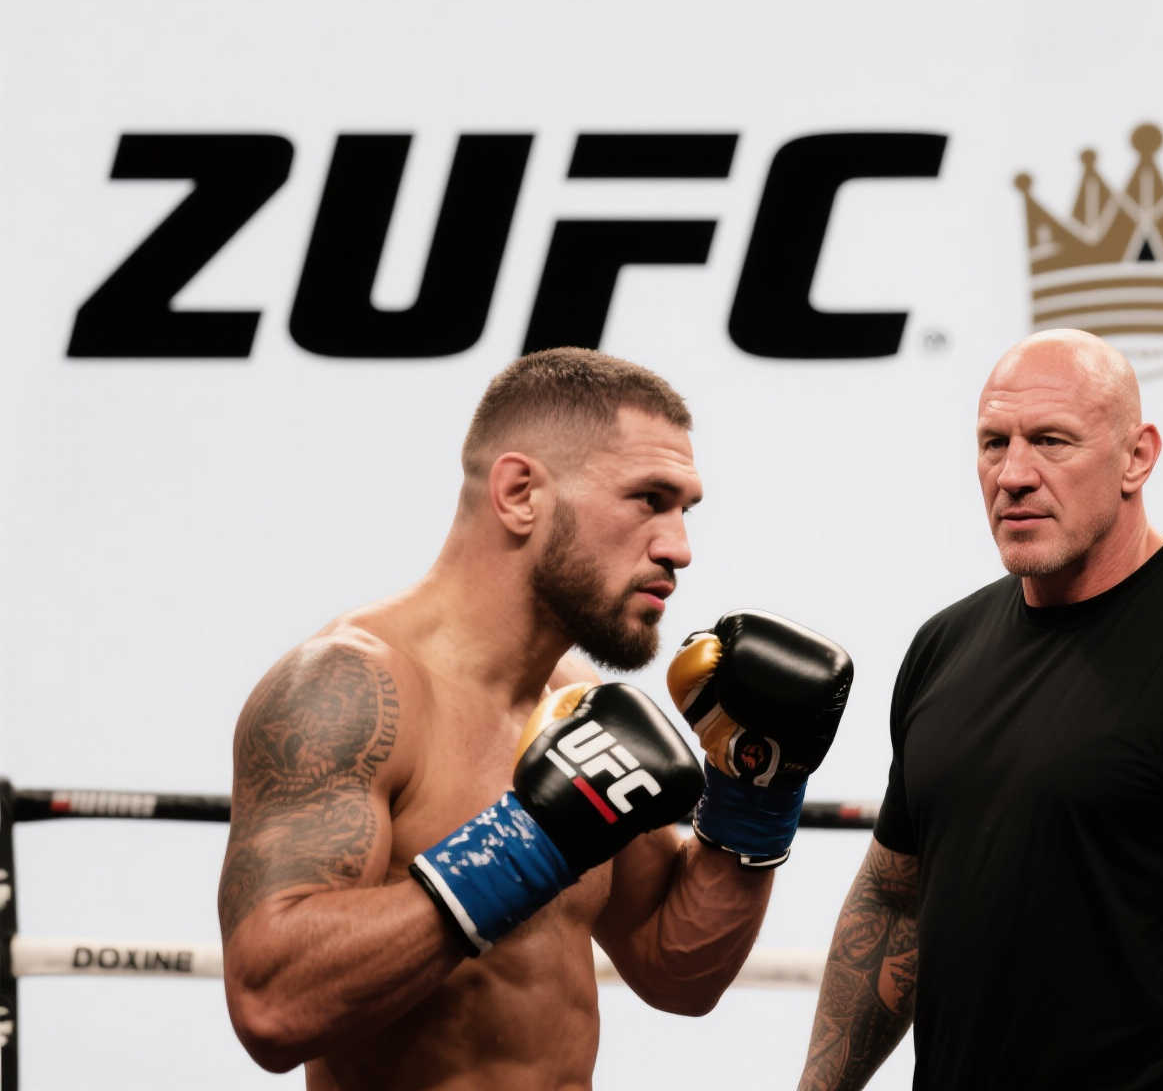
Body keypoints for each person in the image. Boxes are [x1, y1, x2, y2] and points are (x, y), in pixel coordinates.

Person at [217, 348, 852, 1088]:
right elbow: (271, 1006)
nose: (679, 548)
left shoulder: (573, 700)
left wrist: (755, 788)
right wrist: (532, 840)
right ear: (520, 493)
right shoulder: (352, 688)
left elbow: (676, 968)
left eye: (685, 510)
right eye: (649, 499)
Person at [799, 329, 1163, 1091]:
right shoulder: (945, 646)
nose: (1014, 475)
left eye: (1051, 441)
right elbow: (893, 904)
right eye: (994, 443)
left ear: (1136, 457)